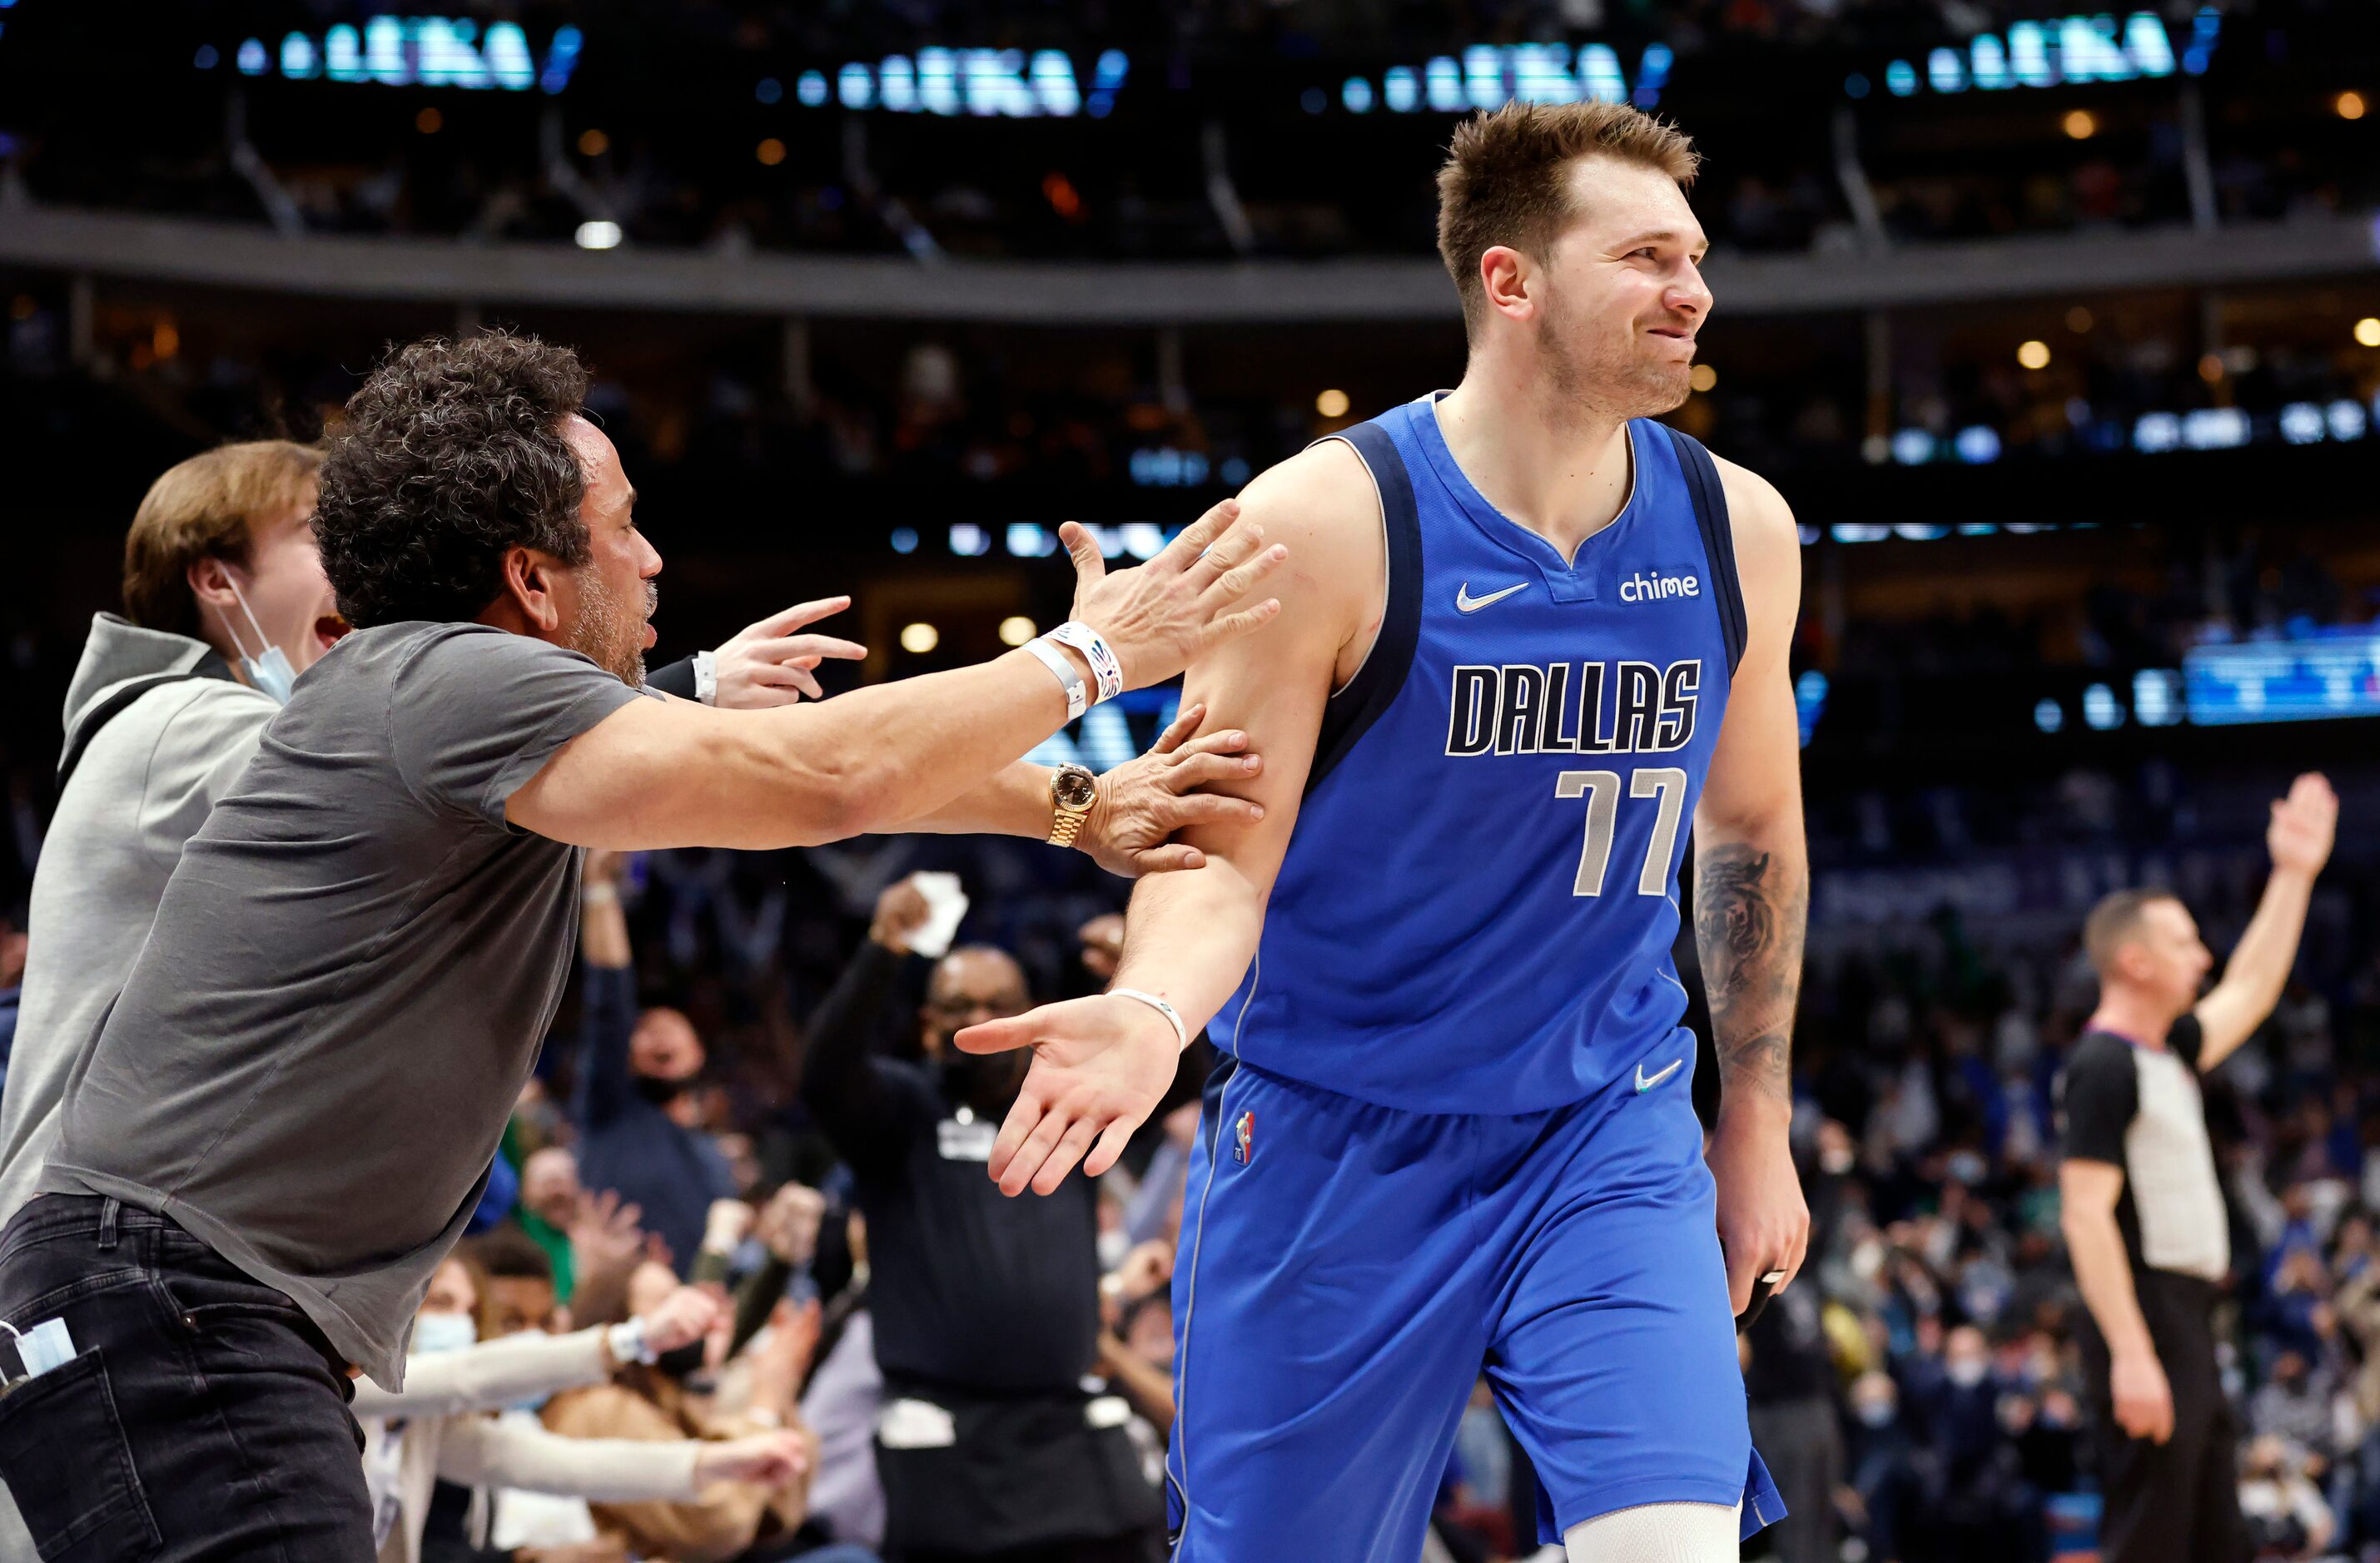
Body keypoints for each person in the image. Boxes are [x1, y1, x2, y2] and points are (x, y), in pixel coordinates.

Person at [0, 328, 1283, 1560]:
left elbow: (808, 780)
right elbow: (822, 779)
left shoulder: (444, 702)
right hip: (173, 1295)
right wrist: (1097, 653)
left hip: (172, 1297)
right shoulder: (443, 682)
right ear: (533, 578)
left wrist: (1077, 806)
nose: (654, 557)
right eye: (622, 526)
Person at [956, 100, 1806, 1563]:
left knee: (1671, 1541)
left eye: (1697, 256)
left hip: (1600, 1124)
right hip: (1337, 1137)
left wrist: (1753, 1114)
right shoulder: (1325, 523)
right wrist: (1157, 1009)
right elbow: (1212, 850)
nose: (1693, 292)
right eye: (1648, 256)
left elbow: (1747, 832)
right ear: (1509, 280)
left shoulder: (1739, 528)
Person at [798, 875, 1165, 1563]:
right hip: (948, 1438)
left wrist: (1138, 976)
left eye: (999, 1005)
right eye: (960, 1007)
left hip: (1070, 1422)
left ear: (1030, 1014)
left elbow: (1183, 1080)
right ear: (929, 1027)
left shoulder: (1068, 1104)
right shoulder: (901, 1113)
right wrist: (883, 951)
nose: (982, 1020)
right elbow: (824, 1075)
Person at [2058, 772, 2338, 1563]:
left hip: (2187, 1318)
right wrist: (2133, 1353)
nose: (2203, 957)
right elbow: (2083, 1217)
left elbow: (2250, 991)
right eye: (2183, 942)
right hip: (2146, 1316)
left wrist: (2292, 875)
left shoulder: (2164, 1052)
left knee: (2218, 1538)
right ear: (2137, 962)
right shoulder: (2101, 1066)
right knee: (2150, 1535)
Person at [365, 1251, 811, 1563]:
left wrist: (715, 1463)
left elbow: (569, 1466)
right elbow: (466, 1376)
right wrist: (634, 1339)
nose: (461, 1323)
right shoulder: (346, 1388)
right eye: (442, 1304)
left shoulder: (424, 1428)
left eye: (471, 1310)